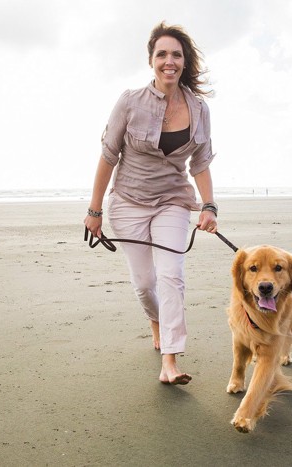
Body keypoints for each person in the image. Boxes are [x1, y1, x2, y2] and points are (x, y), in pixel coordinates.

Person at [84, 22, 217, 386]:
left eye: (176, 54)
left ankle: (170, 360)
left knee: (171, 275)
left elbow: (200, 164)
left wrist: (209, 206)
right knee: (145, 283)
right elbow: (108, 156)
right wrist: (94, 212)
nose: (169, 61)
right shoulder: (130, 101)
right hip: (128, 202)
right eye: (162, 54)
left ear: (184, 61)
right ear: (151, 61)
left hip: (172, 201)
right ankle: (156, 321)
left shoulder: (200, 109)